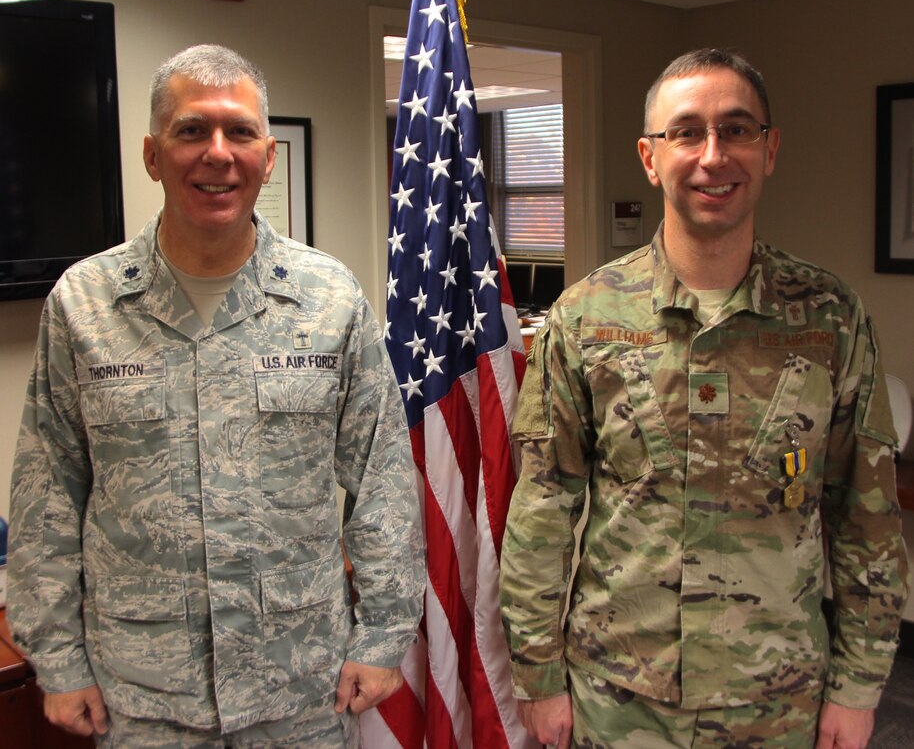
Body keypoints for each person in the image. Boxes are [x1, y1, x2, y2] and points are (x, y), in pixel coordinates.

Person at [7, 44, 424, 747]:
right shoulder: (85, 304)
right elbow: (47, 494)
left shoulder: (329, 299)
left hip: (302, 688)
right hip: (141, 697)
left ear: (268, 157)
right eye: (191, 130)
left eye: (240, 133)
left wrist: (383, 636)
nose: (217, 153)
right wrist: (57, 659)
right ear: (151, 153)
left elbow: (382, 479)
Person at [499, 48, 909, 749]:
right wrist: (538, 675)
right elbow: (542, 512)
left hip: (781, 698)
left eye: (737, 129)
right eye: (686, 132)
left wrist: (859, 684)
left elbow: (864, 513)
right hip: (621, 697)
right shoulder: (586, 317)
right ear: (650, 157)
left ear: (770, 149)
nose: (713, 155)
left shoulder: (829, 317)